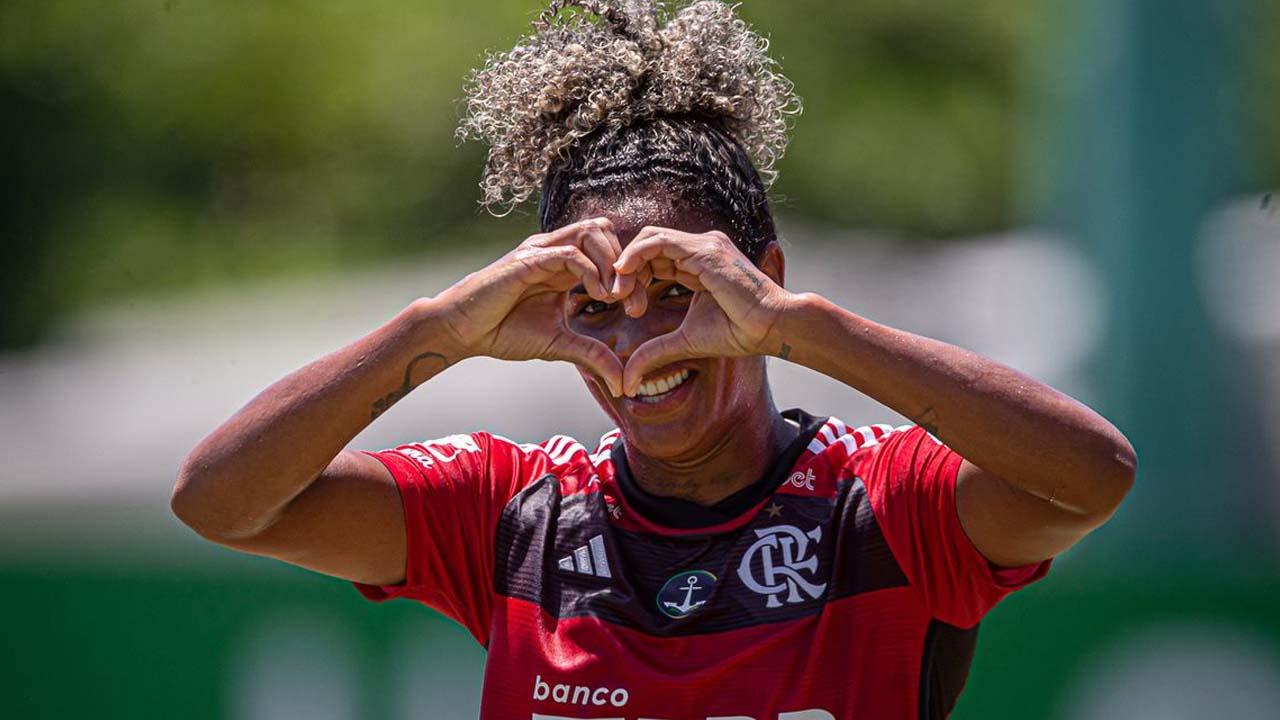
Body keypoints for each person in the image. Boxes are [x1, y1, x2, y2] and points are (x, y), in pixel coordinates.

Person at [171, 1, 1136, 718]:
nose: (638, 348)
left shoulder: (883, 506)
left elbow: (1090, 478)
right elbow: (219, 502)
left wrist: (804, 327)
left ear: (761, 281)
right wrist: (437, 333)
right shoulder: (512, 515)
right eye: (594, 308)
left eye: (680, 295)